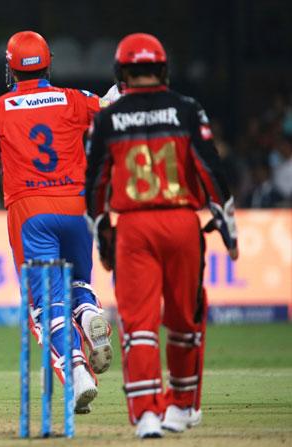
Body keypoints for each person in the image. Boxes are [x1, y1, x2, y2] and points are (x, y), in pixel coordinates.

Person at [84, 33, 239, 438]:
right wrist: (227, 226)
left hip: (134, 226)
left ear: (121, 72)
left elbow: (96, 183)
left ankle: (147, 414)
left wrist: (103, 236)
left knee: (139, 325)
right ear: (163, 68)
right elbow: (210, 170)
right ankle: (182, 407)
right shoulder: (187, 109)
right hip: (182, 222)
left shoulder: (108, 118)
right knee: (184, 321)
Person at [0, 30, 113, 413]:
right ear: (49, 61)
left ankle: (78, 371)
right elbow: (111, 116)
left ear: (10, 67)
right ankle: (90, 315)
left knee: (43, 305)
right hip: (77, 206)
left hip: (31, 212)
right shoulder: (76, 98)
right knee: (79, 284)